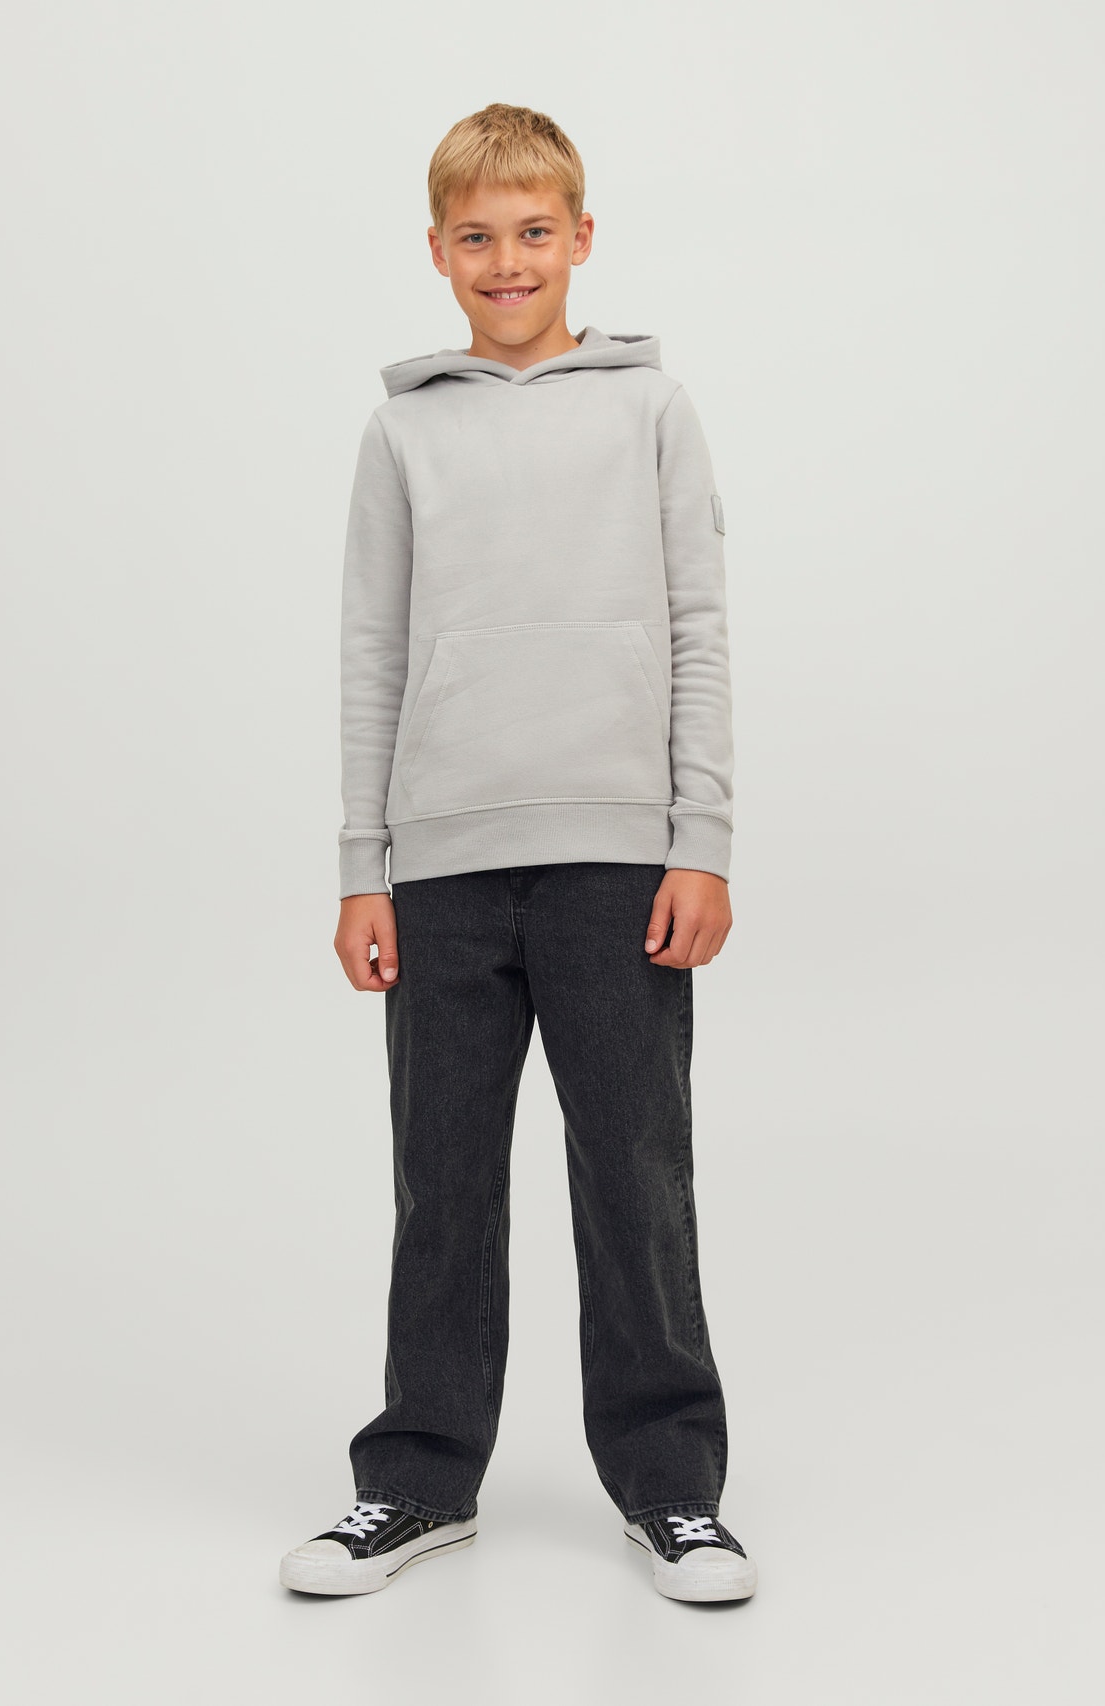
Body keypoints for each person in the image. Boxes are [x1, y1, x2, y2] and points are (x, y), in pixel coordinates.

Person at [279, 102, 757, 1604]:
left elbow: (698, 630)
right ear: (437, 250)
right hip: (441, 869)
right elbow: (371, 648)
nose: (507, 260)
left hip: (619, 861)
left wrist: (702, 840)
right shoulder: (403, 430)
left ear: (581, 237)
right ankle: (418, 1481)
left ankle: (673, 1489)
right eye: (477, 236)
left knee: (636, 1173)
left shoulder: (651, 411)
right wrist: (363, 863)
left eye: (534, 231)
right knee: (443, 1181)